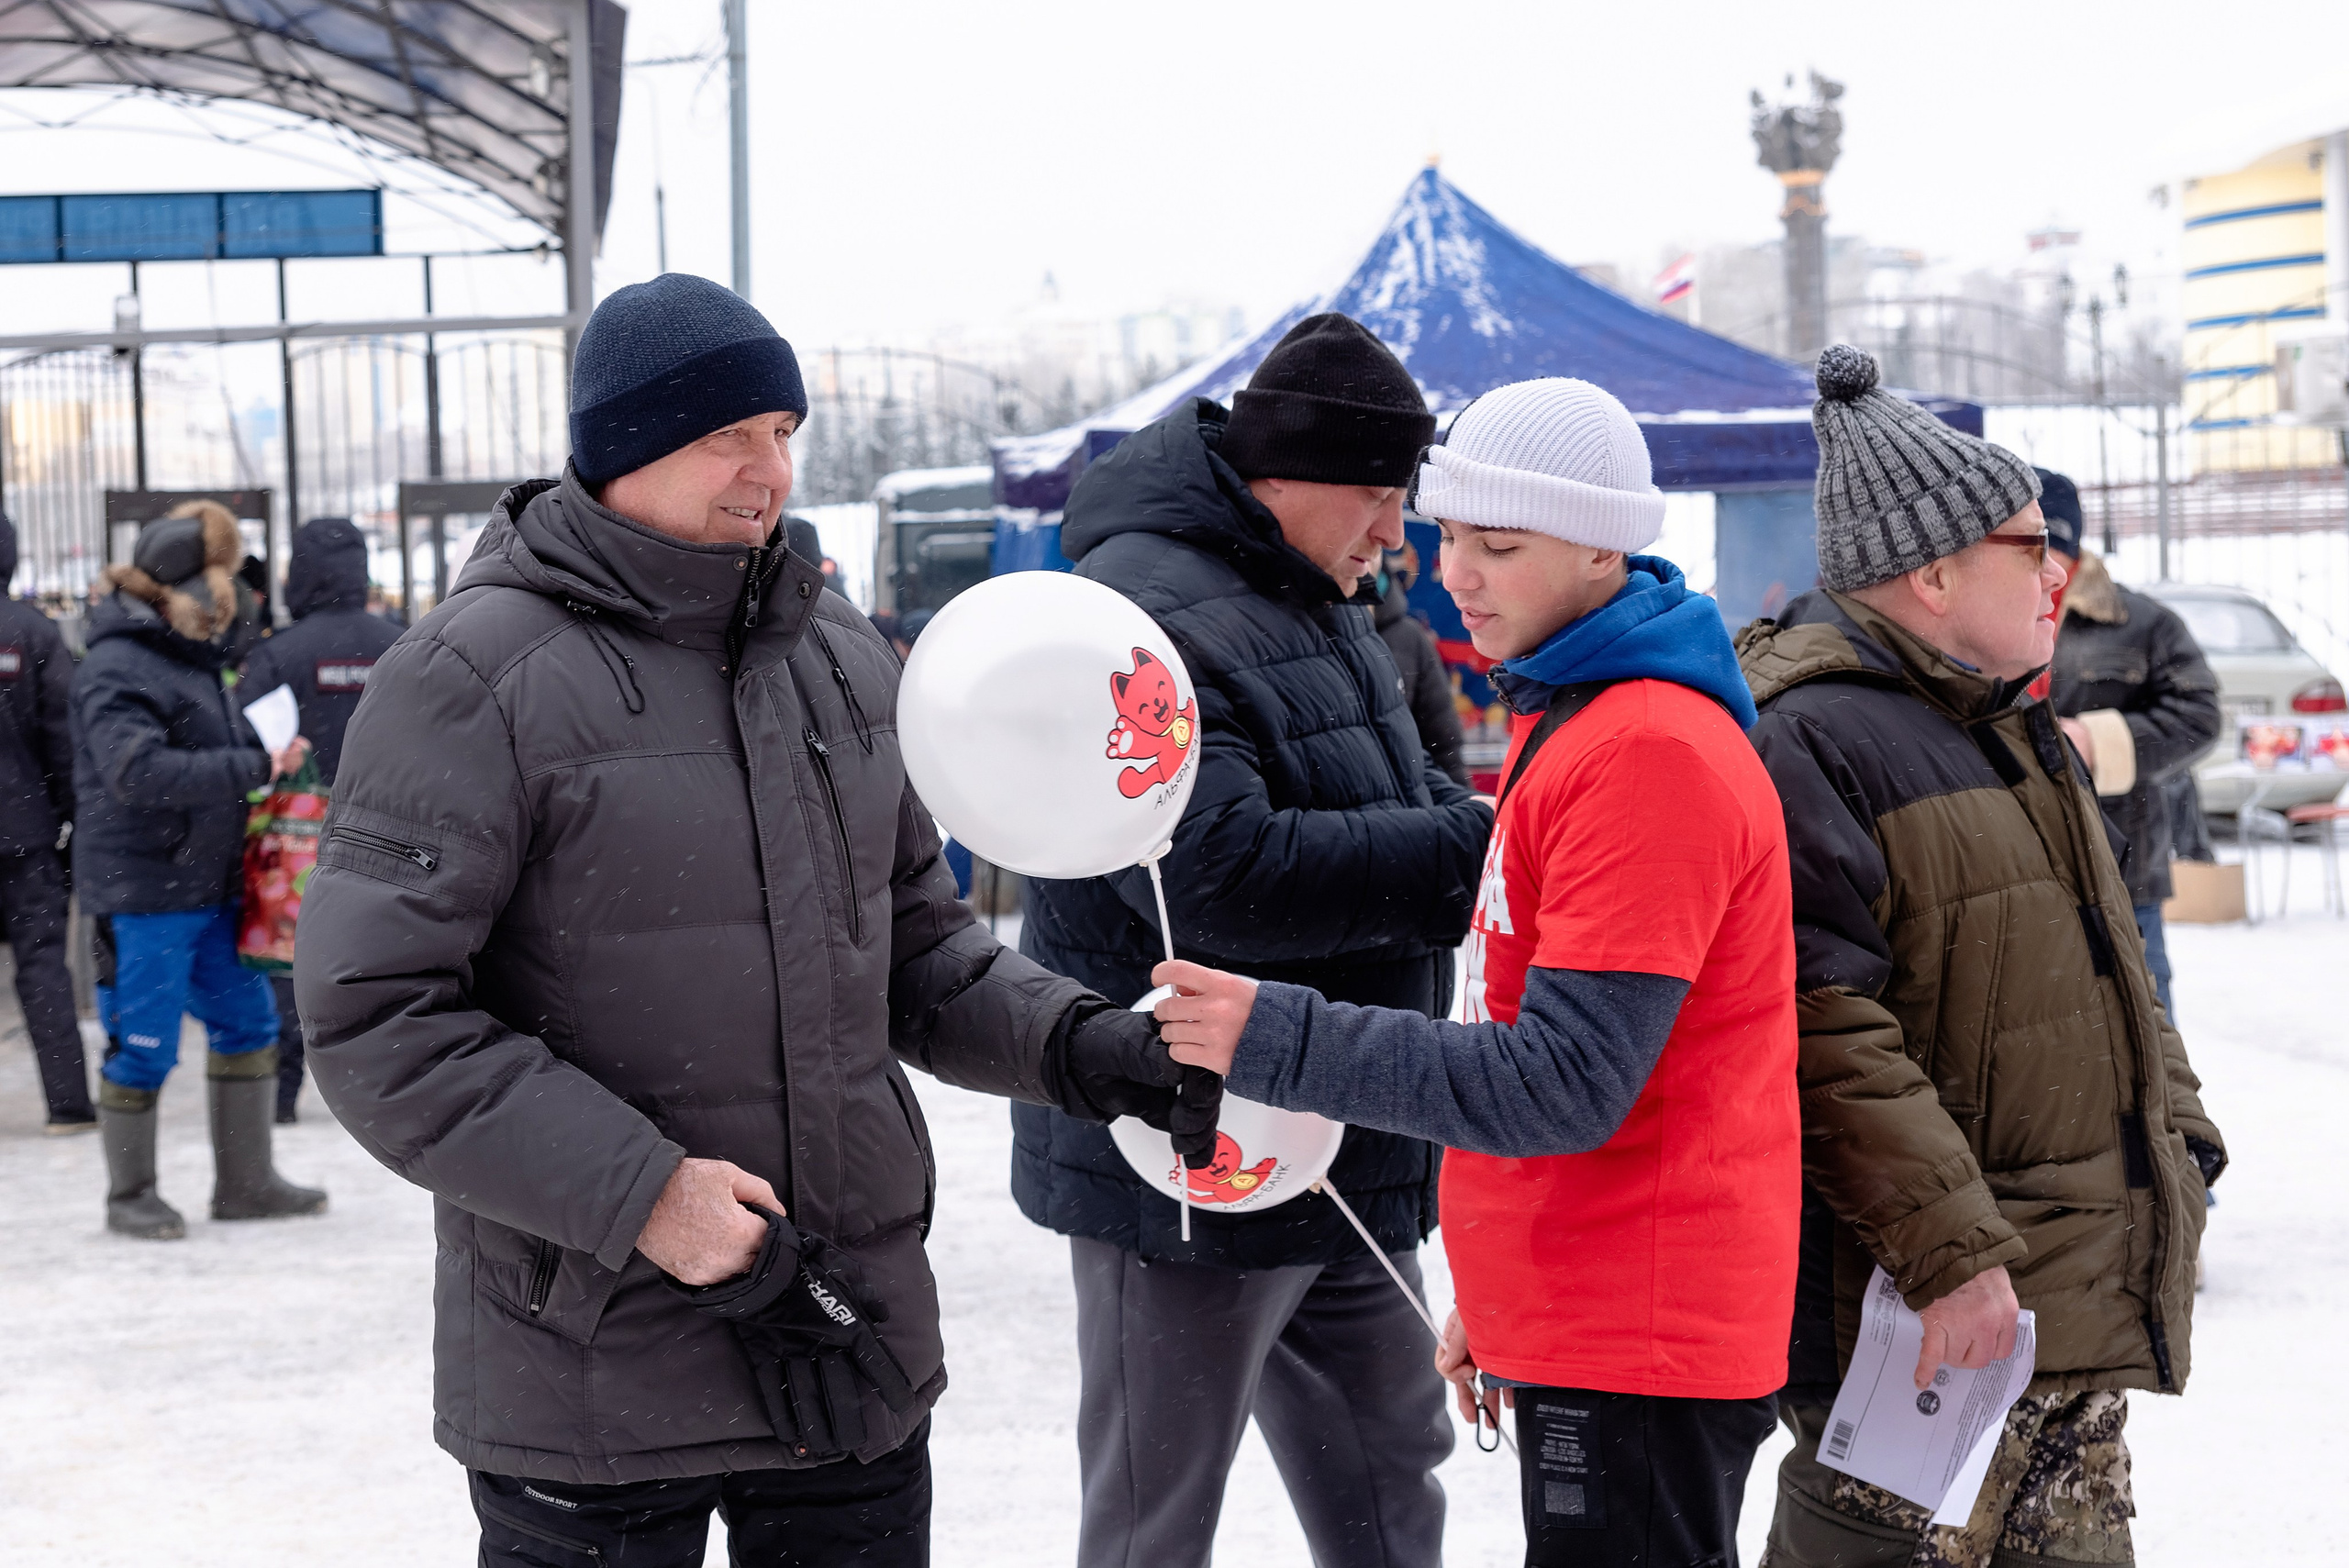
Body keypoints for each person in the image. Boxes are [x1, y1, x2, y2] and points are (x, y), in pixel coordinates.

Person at [292, 272, 1213, 1565]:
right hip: (595, 1365)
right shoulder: (470, 678)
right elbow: (376, 1017)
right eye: (726, 434)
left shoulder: (835, 651)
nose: (765, 471)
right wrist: (652, 1197)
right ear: (620, 448)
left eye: (781, 433)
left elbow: (917, 945)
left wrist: (1080, 1042)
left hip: (844, 1339)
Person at [1148, 377, 1802, 1568]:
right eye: (1450, 532)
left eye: (1499, 545)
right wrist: (1508, 1293)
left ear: (1605, 545)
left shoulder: (1647, 746)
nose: (1459, 573)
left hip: (1643, 1333)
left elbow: (1559, 1082)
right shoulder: (1581, 710)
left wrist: (1276, 1036)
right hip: (1595, 1314)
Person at [1014, 311, 1492, 1568]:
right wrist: (1472, 856)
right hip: (1186, 1154)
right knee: (1154, 1520)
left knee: (1393, 1474)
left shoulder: (1309, 586)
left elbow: (1418, 786)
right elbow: (1221, 880)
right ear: (1292, 477)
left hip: (1343, 1139)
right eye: (1382, 495)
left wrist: (1456, 837)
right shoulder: (1147, 613)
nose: (1399, 533)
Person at [1737, 347, 2226, 1568]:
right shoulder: (1812, 738)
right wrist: (1951, 1255)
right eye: (2029, 544)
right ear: (1936, 570)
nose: (2059, 569)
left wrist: (2184, 1143)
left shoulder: (2010, 729)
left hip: (2056, 1305)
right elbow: (1822, 1028)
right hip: (1934, 1325)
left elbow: (2118, 970)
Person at [75, 501, 323, 1239]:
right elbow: (136, 771)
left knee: (248, 1024)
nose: (236, 597)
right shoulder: (118, 664)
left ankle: (246, 1184)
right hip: (146, 891)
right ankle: (131, 1196)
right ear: (186, 588)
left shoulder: (192, 658)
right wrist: (253, 763)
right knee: (142, 1043)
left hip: (212, 884)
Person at [2038, 470, 2220, 1022]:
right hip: (2025, 863)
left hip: (2125, 859)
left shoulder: (2141, 622)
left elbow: (2199, 715)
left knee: (2145, 1020)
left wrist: (2098, 742)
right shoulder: (1989, 618)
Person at [237, 517, 402, 1121]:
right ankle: (388, 1085)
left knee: (291, 955)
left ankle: (282, 1090)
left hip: (295, 833)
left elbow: (249, 741)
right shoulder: (402, 640)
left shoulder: (277, 652)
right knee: (391, 952)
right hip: (392, 824)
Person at [0, 510, 90, 1133]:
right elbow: (64, 740)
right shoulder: (32, 634)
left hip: (26, 828)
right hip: (23, 835)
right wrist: (67, 820)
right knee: (42, 967)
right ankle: (68, 1104)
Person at [1373, 540, 1470, 785]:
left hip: (1407, 804)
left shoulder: (1409, 637)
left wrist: (1464, 812)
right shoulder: (1305, 632)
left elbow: (1443, 744)